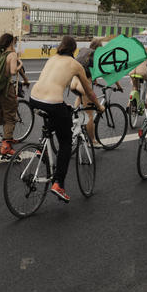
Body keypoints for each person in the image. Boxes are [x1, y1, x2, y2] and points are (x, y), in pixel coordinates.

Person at [29, 35, 104, 203]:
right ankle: (58, 184)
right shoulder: (75, 64)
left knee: (61, 112)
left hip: (34, 99)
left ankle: (42, 145)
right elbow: (89, 92)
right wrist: (99, 106)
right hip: (52, 102)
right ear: (74, 50)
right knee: (65, 142)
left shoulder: (52, 58)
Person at [71, 39, 122, 147]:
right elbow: (109, 73)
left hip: (73, 83)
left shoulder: (84, 51)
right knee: (89, 115)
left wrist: (94, 79)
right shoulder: (97, 56)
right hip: (83, 86)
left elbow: (86, 68)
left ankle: (76, 125)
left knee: (78, 110)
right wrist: (119, 86)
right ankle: (92, 141)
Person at [0, 33, 27, 160]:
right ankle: (6, 148)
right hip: (6, 90)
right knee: (9, 118)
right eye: (13, 43)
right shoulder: (11, 55)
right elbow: (13, 71)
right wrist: (20, 64)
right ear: (10, 43)